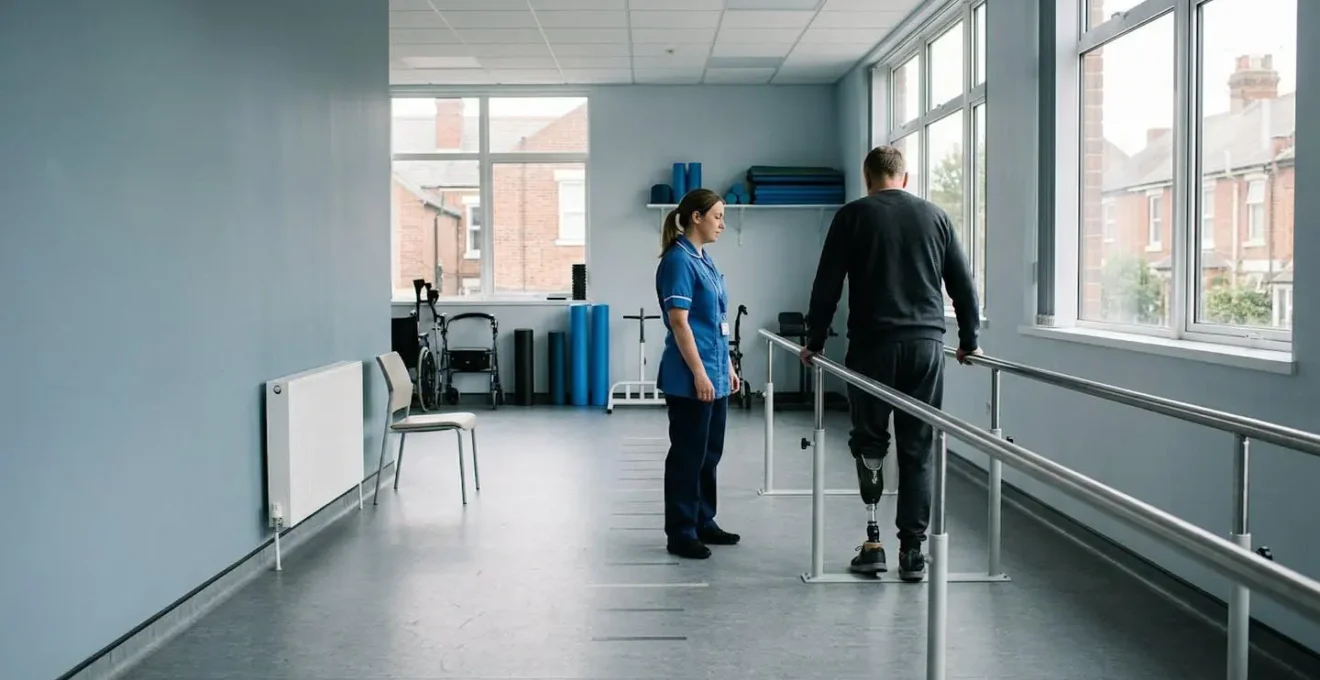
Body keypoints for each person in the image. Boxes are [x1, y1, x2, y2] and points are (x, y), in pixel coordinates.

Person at [798, 145, 982, 581]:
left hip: (872, 347)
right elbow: (963, 286)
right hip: (925, 346)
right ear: (906, 177)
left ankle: (873, 541)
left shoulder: (853, 215)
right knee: (918, 450)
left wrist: (815, 341)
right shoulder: (936, 217)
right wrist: (969, 340)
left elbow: (826, 285)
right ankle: (912, 553)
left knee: (871, 443)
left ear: (867, 179)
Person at [654, 188, 742, 560]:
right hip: (692, 378)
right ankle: (681, 531)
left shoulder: (703, 259)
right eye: (717, 216)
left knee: (709, 453)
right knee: (688, 455)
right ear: (696, 217)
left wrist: (729, 368)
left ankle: (705, 520)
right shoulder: (678, 261)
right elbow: (680, 323)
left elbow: (716, 322)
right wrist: (701, 374)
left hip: (715, 373)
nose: (722, 223)